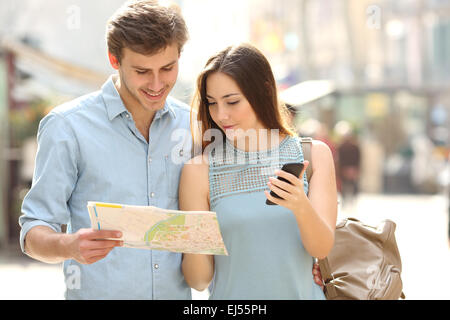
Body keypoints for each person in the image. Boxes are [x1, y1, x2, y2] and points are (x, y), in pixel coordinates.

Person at [18, 0, 193, 299]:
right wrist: (69, 245)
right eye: (141, 71)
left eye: (168, 68)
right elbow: (34, 228)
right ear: (114, 59)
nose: (157, 83)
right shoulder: (67, 127)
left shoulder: (192, 124)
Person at [180, 44, 337, 299]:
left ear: (264, 90)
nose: (221, 114)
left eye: (232, 101)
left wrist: (300, 205)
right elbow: (198, 280)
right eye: (212, 103)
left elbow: (321, 248)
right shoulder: (198, 171)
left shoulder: (313, 155)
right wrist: (191, 236)